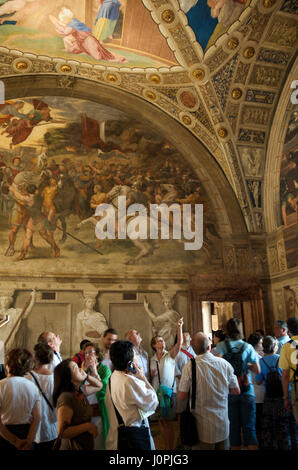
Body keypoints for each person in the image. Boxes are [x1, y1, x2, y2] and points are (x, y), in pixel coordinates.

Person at [178, 332, 240, 450]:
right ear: (209, 347)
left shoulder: (189, 367)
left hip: (202, 428)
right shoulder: (225, 364)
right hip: (222, 424)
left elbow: (181, 396)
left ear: (194, 349)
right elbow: (236, 390)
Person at [105, 340, 158, 450]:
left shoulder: (112, 378)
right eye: (136, 355)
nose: (137, 358)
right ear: (130, 363)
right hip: (134, 435)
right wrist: (142, 377)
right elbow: (153, 402)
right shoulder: (130, 382)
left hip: (118, 434)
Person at [216, 318, 260, 450]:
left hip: (229, 390)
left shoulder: (221, 346)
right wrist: (245, 365)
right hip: (247, 389)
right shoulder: (248, 347)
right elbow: (258, 370)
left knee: (233, 429)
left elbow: (218, 366)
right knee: (250, 428)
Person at [256, 336, 298, 450]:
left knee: (270, 426)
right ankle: (287, 445)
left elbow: (258, 381)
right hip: (283, 396)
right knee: (285, 424)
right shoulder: (280, 358)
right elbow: (286, 374)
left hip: (269, 398)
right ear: (275, 346)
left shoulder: (260, 361)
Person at [53, 359, 101, 450]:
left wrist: (86, 376)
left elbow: (99, 386)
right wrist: (88, 426)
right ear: (69, 377)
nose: (80, 369)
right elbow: (62, 432)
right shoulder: (66, 397)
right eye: (75, 368)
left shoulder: (80, 391)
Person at [150, 318, 183, 450]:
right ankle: (166, 447)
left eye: (162, 340)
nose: (162, 341)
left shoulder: (170, 355)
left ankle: (171, 447)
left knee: (168, 422)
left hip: (169, 392)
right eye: (159, 340)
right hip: (156, 392)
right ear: (154, 345)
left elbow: (179, 344)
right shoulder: (152, 359)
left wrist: (179, 327)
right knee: (161, 422)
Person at [49, 7, 126, 63]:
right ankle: (82, 50)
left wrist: (56, 23)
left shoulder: (73, 24)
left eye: (62, 18)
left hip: (88, 41)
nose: (62, 20)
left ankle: (117, 59)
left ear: (67, 17)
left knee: (98, 57)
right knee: (71, 50)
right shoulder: (73, 22)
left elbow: (65, 32)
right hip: (81, 41)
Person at [0, 348, 40, 450]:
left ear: (8, 365)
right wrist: (29, 440)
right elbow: (37, 417)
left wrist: (14, 441)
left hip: (5, 434)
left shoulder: (1, 385)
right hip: (27, 432)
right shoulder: (32, 386)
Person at [25, 343, 57, 450]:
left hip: (32, 428)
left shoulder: (27, 377)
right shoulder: (56, 378)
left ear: (35, 357)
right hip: (52, 427)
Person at [81, 342, 111, 449]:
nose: (87, 356)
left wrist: (95, 372)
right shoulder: (84, 371)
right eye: (85, 353)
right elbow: (79, 389)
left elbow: (104, 390)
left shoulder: (104, 370)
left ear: (97, 355)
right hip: (86, 415)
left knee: (99, 444)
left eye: (90, 352)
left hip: (100, 412)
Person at [279, 317, 298, 424]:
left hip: (296, 385)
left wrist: (286, 397)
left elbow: (285, 374)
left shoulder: (286, 347)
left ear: (288, 331)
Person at [247, 333, 264, 447]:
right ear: (257, 344)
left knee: (252, 422)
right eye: (261, 343)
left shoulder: (245, 356)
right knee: (259, 422)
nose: (262, 345)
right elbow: (260, 378)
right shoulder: (258, 359)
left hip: (249, 393)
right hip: (259, 393)